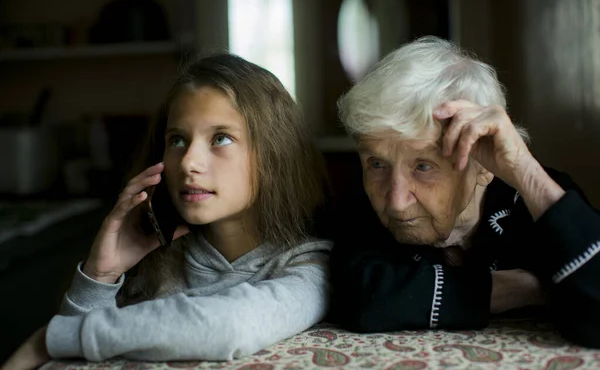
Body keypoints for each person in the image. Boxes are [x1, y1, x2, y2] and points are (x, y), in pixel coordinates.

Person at [4, 54, 333, 368]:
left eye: (221, 138)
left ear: (273, 157)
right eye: (177, 140)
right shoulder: (158, 261)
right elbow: (72, 362)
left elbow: (232, 326)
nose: (189, 162)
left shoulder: (308, 266)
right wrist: (100, 274)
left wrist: (46, 339)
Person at [329, 36, 600, 348]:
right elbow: (361, 298)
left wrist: (524, 169)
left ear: (483, 166)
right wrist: (523, 288)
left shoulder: (540, 198)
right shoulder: (359, 210)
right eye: (377, 163)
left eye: (423, 167)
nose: (396, 202)